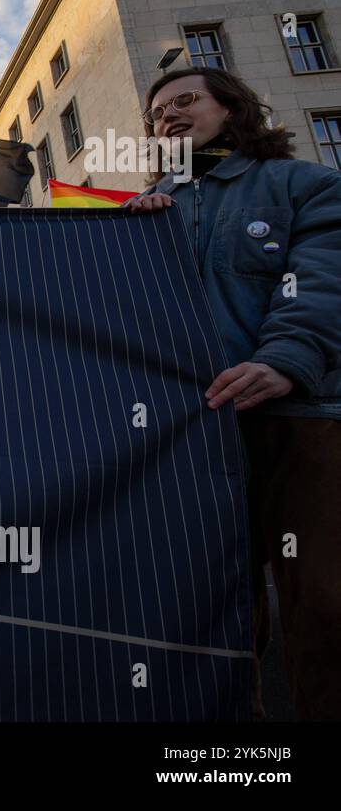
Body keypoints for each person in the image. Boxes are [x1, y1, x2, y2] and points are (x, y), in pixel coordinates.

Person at [124, 66, 341, 720]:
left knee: (325, 603)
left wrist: (285, 359)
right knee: (214, 615)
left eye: (185, 101)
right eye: (158, 114)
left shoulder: (304, 185)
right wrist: (124, 243)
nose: (168, 117)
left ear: (234, 108)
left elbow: (325, 277)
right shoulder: (144, 217)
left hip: (300, 420)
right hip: (191, 438)